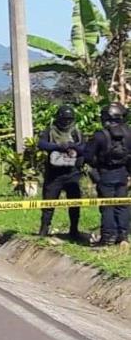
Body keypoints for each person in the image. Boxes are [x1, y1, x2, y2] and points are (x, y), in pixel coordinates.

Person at [85, 103, 131, 247]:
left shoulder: (100, 136)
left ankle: (108, 237)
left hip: (105, 173)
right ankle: (123, 236)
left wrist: (95, 165)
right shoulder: (129, 134)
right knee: (122, 205)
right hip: (123, 173)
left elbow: (87, 156)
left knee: (107, 206)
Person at [37, 105, 84, 239]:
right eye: (64, 119)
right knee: (48, 203)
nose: (66, 122)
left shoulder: (76, 132)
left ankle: (74, 230)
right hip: (54, 174)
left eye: (69, 120)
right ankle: (44, 229)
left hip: (72, 172)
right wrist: (57, 146)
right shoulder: (50, 131)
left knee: (74, 203)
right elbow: (41, 144)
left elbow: (83, 148)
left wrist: (72, 146)